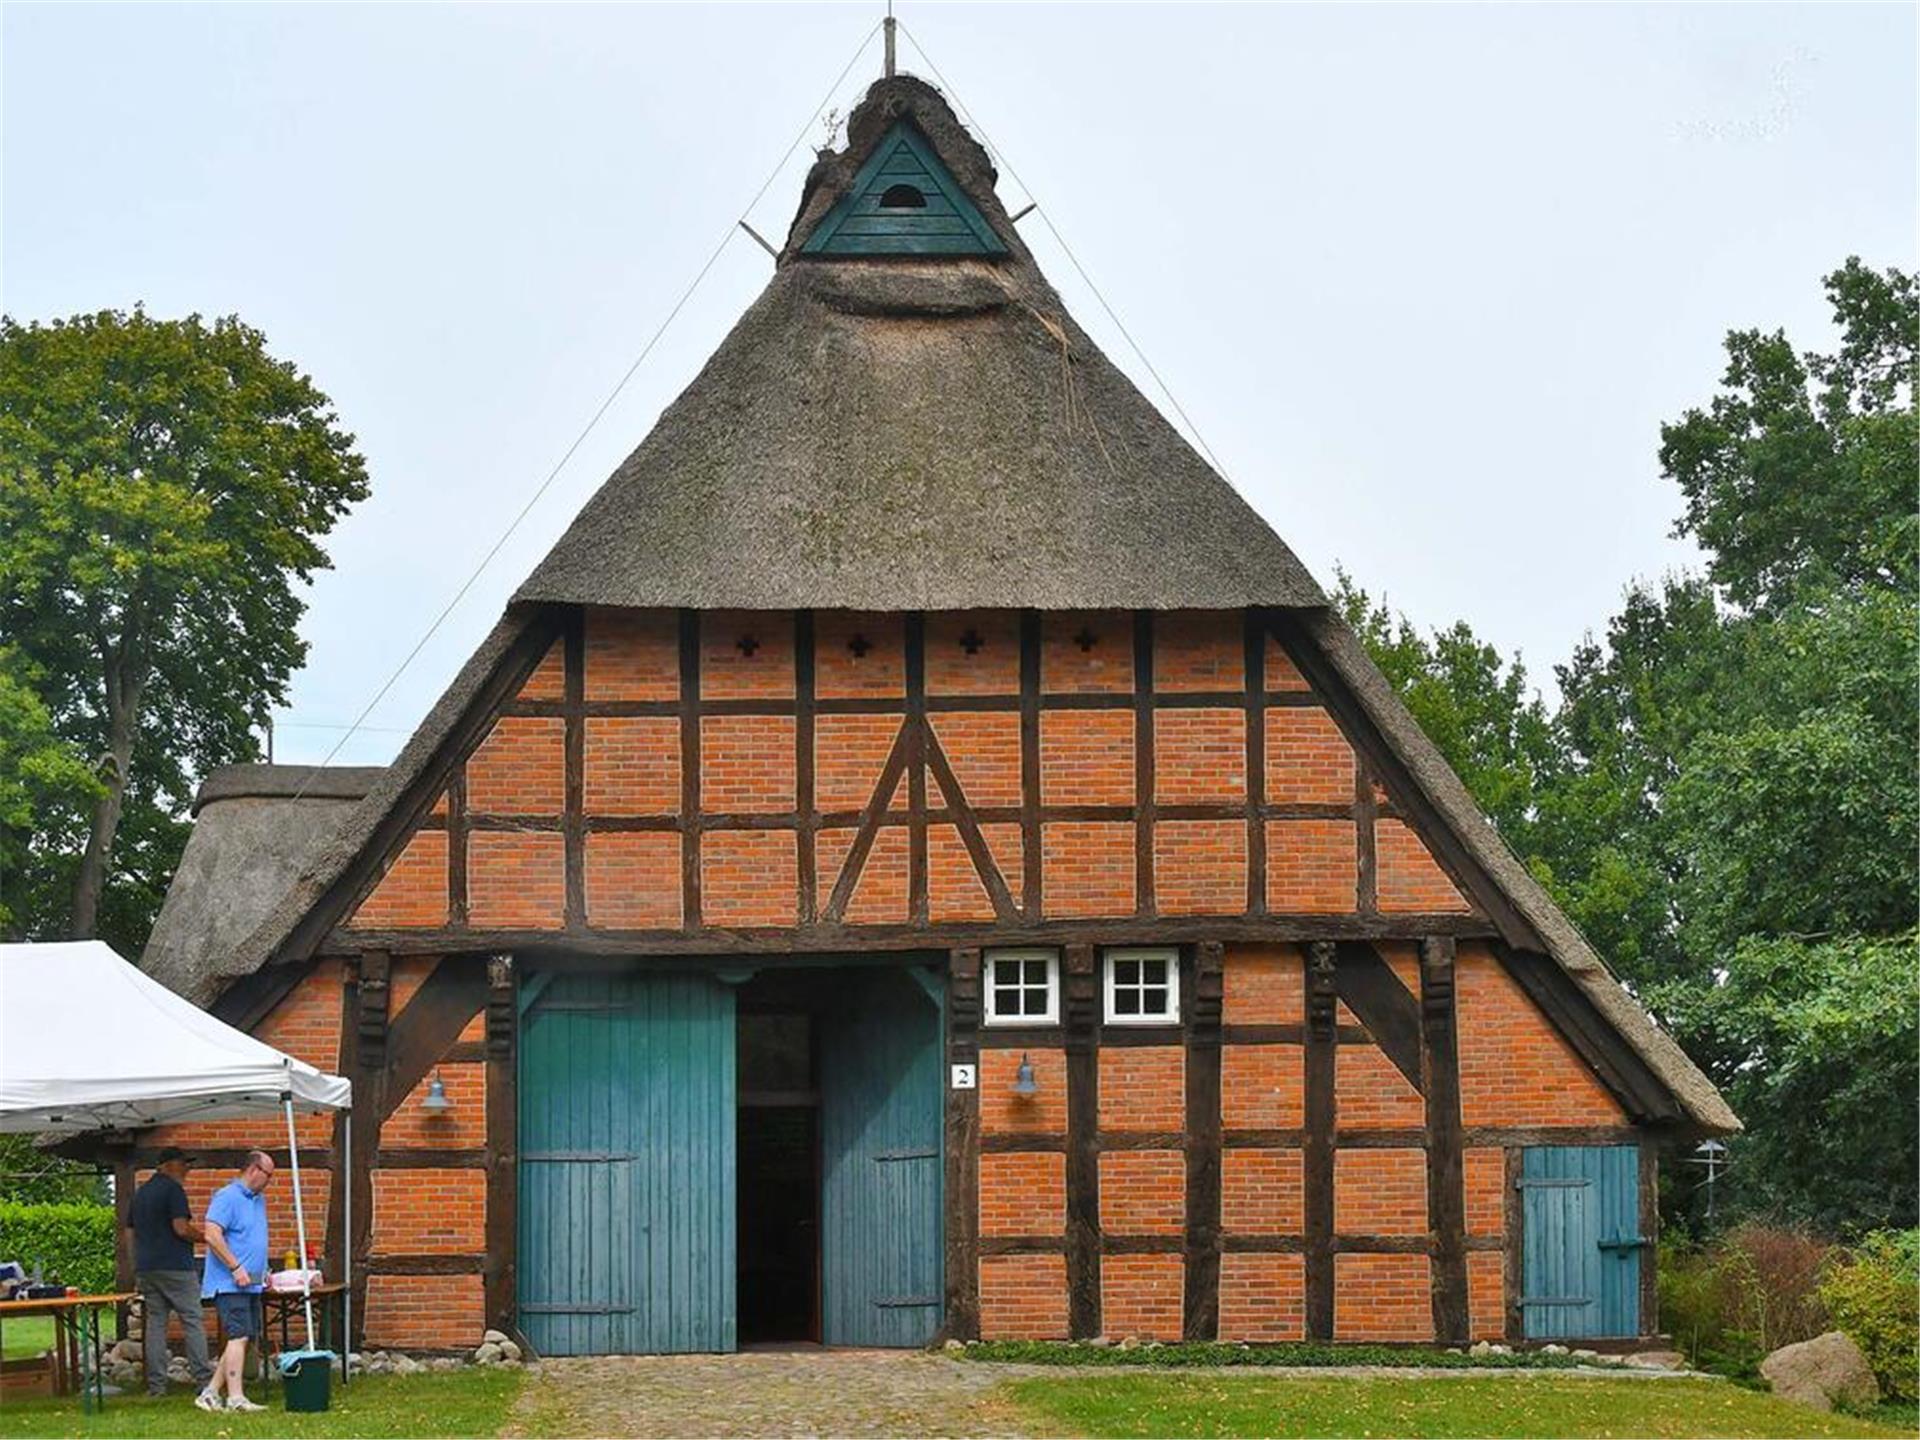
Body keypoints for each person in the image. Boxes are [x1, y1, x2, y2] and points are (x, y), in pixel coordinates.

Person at [126, 1147, 213, 1397]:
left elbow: (129, 1232)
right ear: (168, 1165)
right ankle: (203, 1381)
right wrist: (206, 1238)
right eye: (184, 1164)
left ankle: (156, 1386)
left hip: (147, 1268)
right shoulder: (173, 1190)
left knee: (155, 1325)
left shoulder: (141, 1192)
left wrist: (136, 1264)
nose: (187, 1169)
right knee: (193, 1320)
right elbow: (181, 1228)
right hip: (176, 1267)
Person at [196, 1150, 275, 1413]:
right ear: (253, 1170)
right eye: (268, 1175)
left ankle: (209, 1393)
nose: (270, 1181)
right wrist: (235, 1266)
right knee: (238, 1336)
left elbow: (253, 1238)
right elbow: (211, 1234)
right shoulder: (227, 1197)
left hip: (251, 1282)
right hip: (230, 1283)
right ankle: (236, 1398)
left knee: (243, 1338)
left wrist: (263, 1271)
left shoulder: (257, 1199)